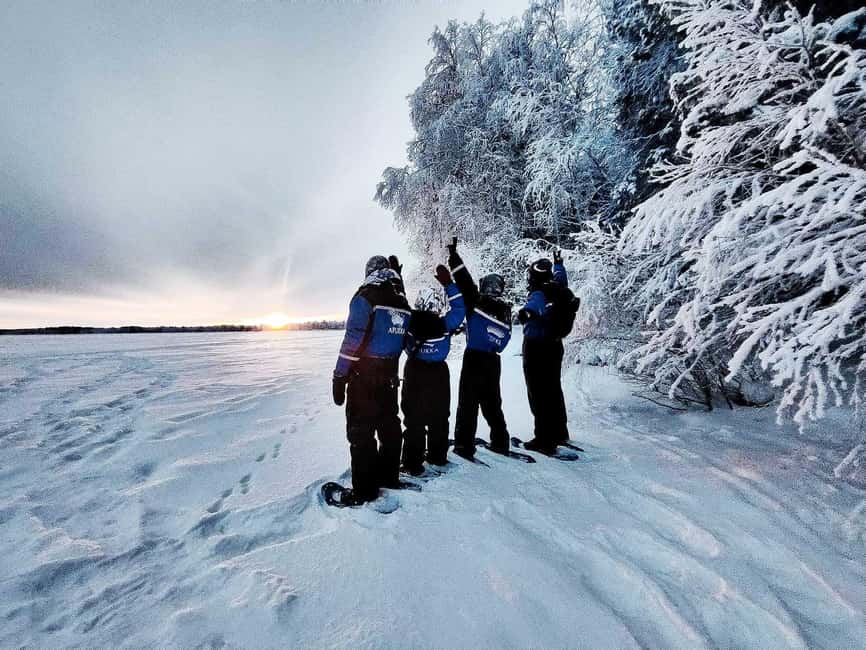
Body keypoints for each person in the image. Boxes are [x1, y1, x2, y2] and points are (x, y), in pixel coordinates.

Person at [332, 255, 411, 505]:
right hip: (390, 376)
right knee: (389, 426)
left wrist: (339, 375)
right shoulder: (401, 301)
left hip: (364, 376)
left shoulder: (364, 297)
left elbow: (353, 338)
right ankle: (389, 476)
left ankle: (364, 491)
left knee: (361, 432)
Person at [447, 239, 512, 460]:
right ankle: (501, 441)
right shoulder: (505, 310)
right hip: (493, 362)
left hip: (473, 359)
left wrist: (453, 256)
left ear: (484, 287)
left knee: (468, 404)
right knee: (493, 403)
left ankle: (464, 446)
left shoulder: (476, 301)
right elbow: (502, 341)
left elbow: (463, 280)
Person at [400, 265, 466, 475]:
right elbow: (460, 309)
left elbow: (399, 304)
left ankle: (412, 462)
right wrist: (449, 285)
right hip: (438, 373)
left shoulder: (408, 321)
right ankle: (438, 456)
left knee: (413, 418)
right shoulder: (445, 323)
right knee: (439, 416)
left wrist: (398, 280)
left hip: (414, 371)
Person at [517, 250, 571, 454]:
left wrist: (525, 313)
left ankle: (543, 438)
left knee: (538, 393)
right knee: (553, 389)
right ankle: (559, 432)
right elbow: (561, 277)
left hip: (536, 346)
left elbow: (533, 306)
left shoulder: (539, 292)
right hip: (555, 345)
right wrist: (559, 263)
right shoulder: (558, 287)